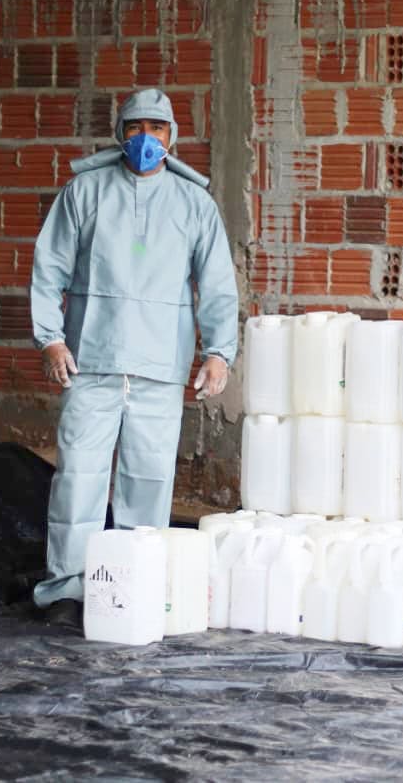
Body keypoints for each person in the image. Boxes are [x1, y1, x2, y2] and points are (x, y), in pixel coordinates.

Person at [30, 88, 238, 629]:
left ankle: (132, 588)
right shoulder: (85, 191)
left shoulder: (194, 203)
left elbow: (217, 284)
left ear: (173, 136)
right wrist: (51, 339)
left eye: (157, 128)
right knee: (78, 480)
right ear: (120, 132)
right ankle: (68, 590)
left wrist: (218, 352)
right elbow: (49, 268)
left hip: (159, 366)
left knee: (148, 483)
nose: (147, 138)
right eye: (136, 127)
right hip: (91, 362)